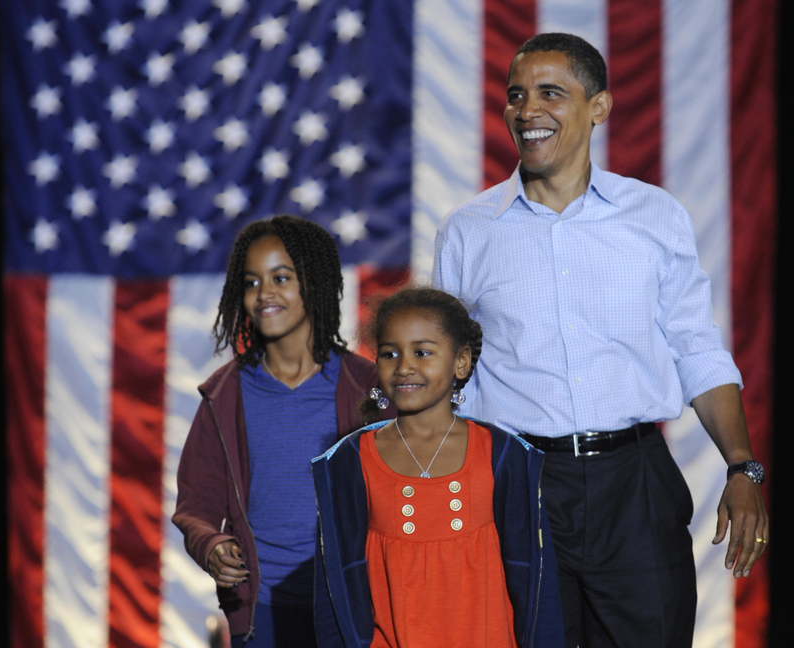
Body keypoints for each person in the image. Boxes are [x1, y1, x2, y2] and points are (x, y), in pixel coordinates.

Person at [432, 33, 768, 648]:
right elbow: (447, 376)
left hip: (635, 485)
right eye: (516, 96)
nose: (527, 110)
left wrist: (743, 468)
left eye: (550, 93)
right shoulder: (467, 231)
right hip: (518, 485)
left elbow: (696, 348)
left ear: (600, 107)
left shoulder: (655, 215)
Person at [311, 287, 564, 648]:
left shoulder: (504, 455)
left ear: (461, 361)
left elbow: (539, 586)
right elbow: (333, 592)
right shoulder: (350, 463)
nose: (404, 366)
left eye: (422, 352)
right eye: (389, 353)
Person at [172, 215, 383, 647]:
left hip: (351, 606)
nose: (264, 293)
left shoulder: (369, 387)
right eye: (251, 282)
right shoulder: (223, 396)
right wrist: (211, 544)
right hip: (261, 611)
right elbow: (196, 505)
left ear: (316, 282)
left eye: (281, 277)